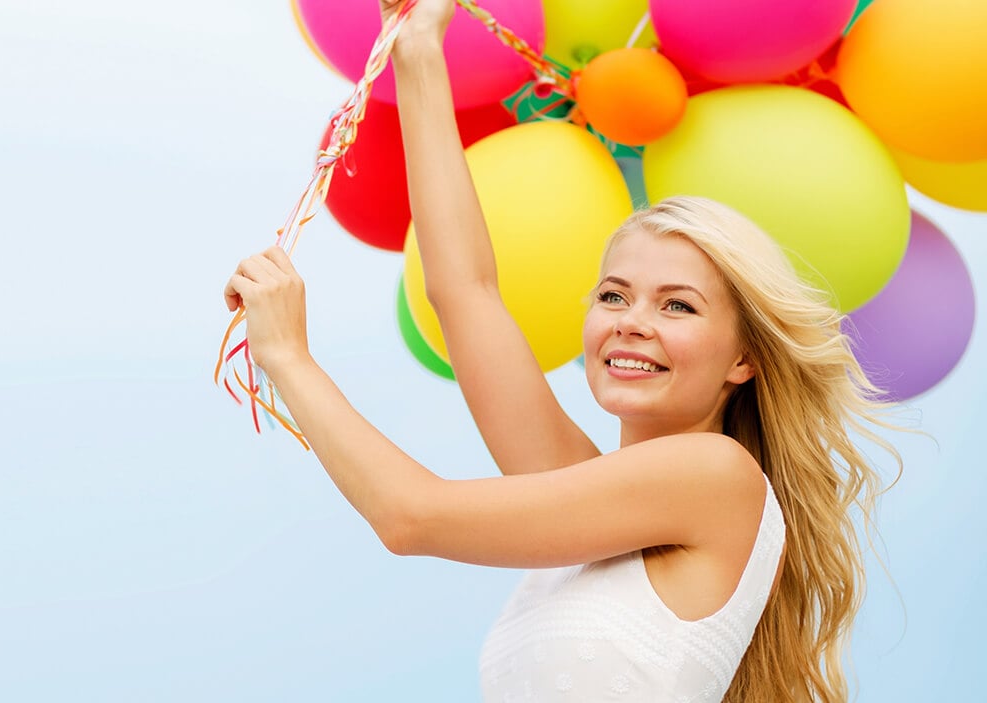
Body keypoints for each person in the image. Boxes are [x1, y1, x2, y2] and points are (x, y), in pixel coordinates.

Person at [222, 1, 897, 700]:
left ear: (744, 359)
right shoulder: (590, 502)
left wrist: (291, 358)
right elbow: (465, 292)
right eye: (613, 295)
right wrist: (421, 54)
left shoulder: (715, 474)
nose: (633, 321)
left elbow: (409, 515)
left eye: (678, 304)